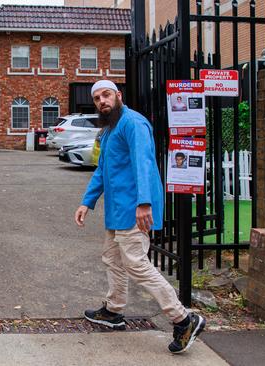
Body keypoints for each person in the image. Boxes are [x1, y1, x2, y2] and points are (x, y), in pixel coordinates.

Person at [74, 80, 205, 354]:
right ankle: (113, 311)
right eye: (97, 98)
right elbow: (103, 170)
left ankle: (183, 318)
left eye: (106, 95)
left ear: (118, 95)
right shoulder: (110, 129)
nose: (102, 101)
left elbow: (144, 163)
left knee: (136, 264)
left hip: (135, 208)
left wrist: (144, 202)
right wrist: (87, 202)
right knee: (112, 258)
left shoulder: (134, 123)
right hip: (117, 209)